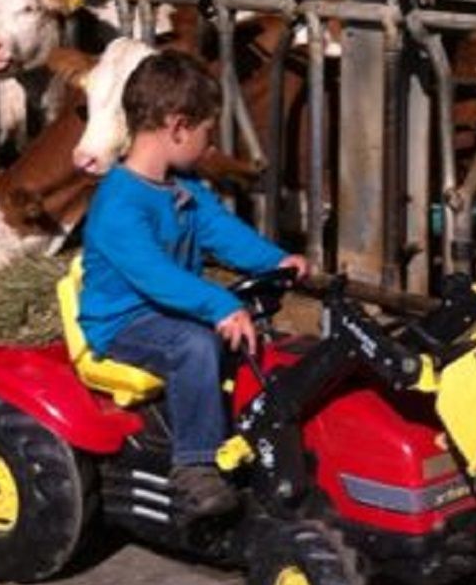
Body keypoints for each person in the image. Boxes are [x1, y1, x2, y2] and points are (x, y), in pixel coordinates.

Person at [76, 50, 307, 518]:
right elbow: (154, 276)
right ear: (178, 127)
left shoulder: (183, 190)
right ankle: (194, 466)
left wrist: (276, 260)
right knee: (194, 344)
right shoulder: (120, 204)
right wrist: (217, 303)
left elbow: (223, 234)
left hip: (169, 309)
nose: (209, 145)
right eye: (207, 134)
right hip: (124, 321)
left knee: (258, 340)